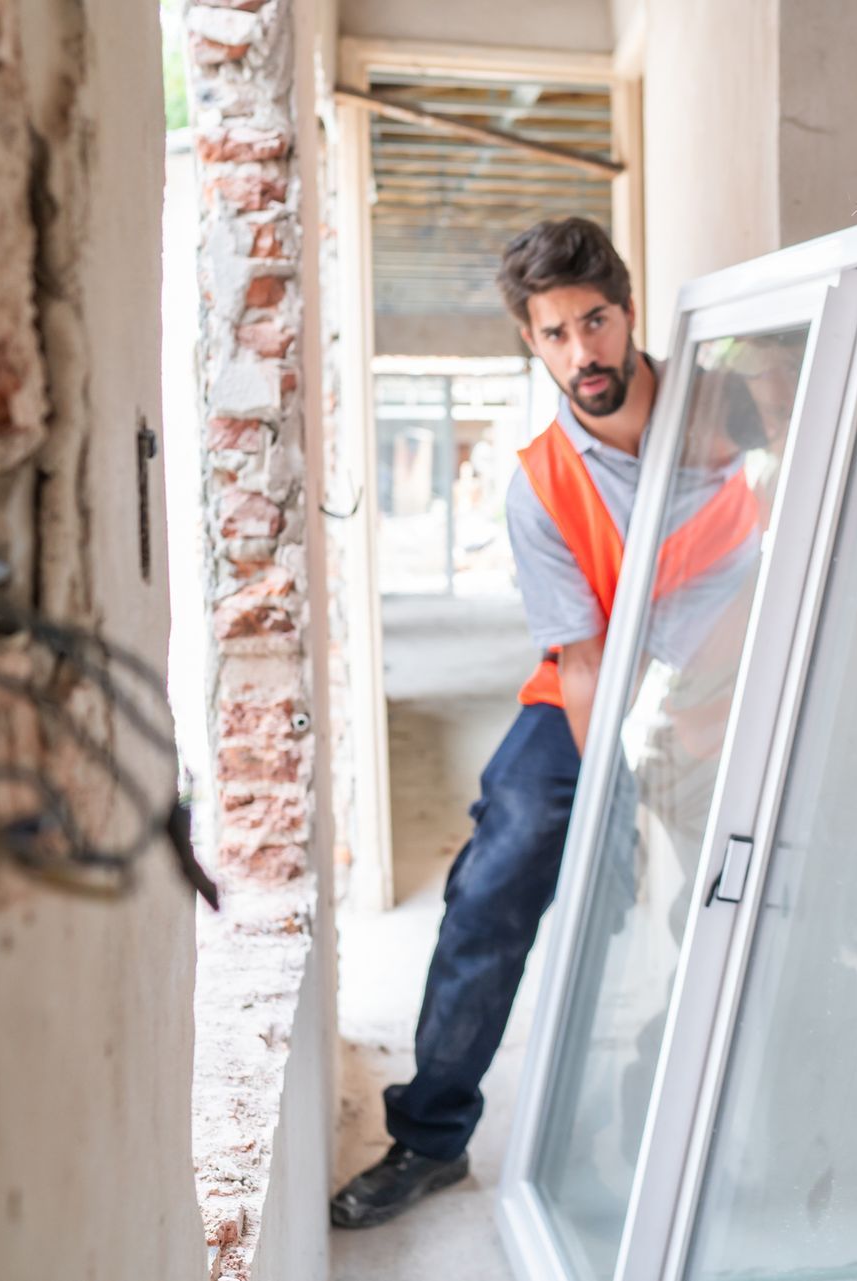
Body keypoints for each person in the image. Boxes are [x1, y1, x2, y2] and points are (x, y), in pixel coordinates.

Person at [330, 217, 758, 1228]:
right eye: (556, 333)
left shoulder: (731, 411)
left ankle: (670, 1097)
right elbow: (583, 662)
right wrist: (614, 802)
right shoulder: (540, 483)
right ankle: (431, 1136)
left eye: (595, 323)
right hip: (592, 697)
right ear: (532, 340)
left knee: (740, 895)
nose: (582, 353)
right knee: (501, 868)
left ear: (628, 313)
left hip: (734, 691)